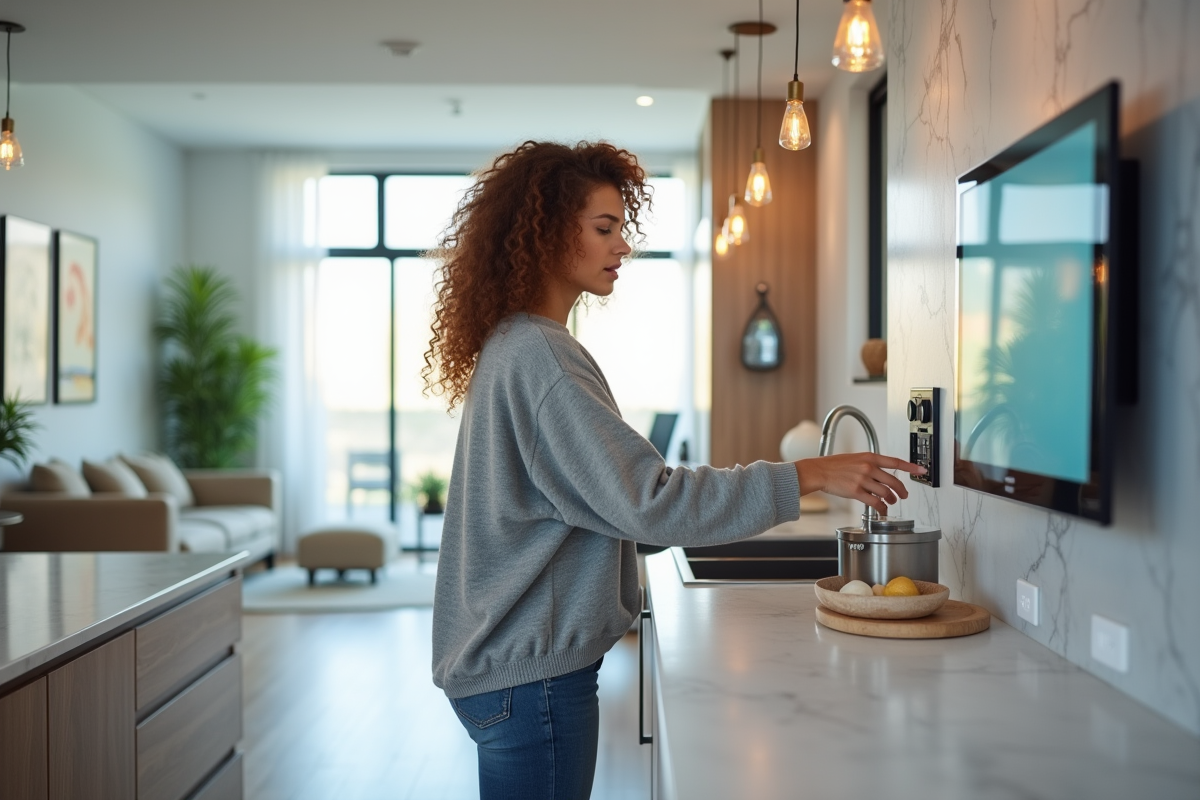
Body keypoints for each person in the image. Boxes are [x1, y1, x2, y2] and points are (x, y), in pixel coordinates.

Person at [424, 141, 924, 800]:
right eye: (604, 229)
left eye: (620, 229)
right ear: (545, 235)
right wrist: (808, 475)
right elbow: (650, 503)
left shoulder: (519, 346)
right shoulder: (542, 358)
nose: (622, 246)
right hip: (531, 680)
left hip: (514, 672)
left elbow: (615, 508)